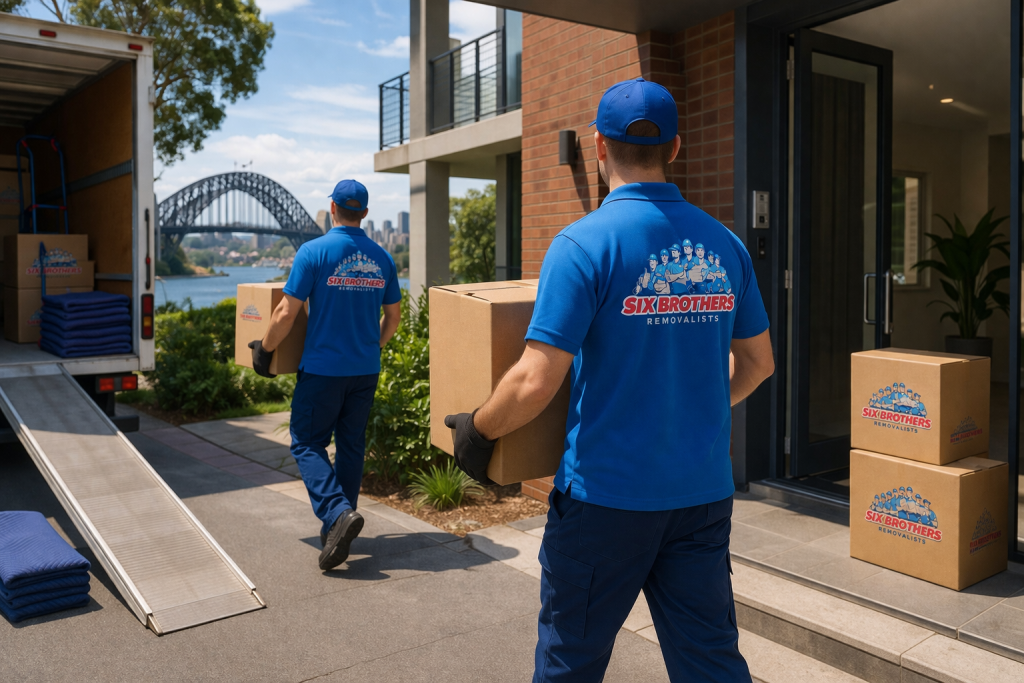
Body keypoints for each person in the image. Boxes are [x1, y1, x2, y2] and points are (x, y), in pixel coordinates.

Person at [443, 77, 774, 683]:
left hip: (604, 504)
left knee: (571, 663)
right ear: (675, 148)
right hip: (700, 497)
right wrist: (698, 402)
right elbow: (758, 364)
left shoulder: (582, 245)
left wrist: (477, 432)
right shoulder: (726, 246)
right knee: (711, 664)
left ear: (598, 145)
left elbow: (535, 380)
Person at [248, 179, 402, 571]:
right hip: (365, 370)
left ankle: (336, 514)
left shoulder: (313, 252)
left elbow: (286, 312)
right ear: (364, 213)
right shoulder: (382, 258)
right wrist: (373, 346)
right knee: (351, 447)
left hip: (323, 371)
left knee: (306, 441)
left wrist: (263, 350)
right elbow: (394, 318)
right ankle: (338, 525)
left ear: (332, 207)